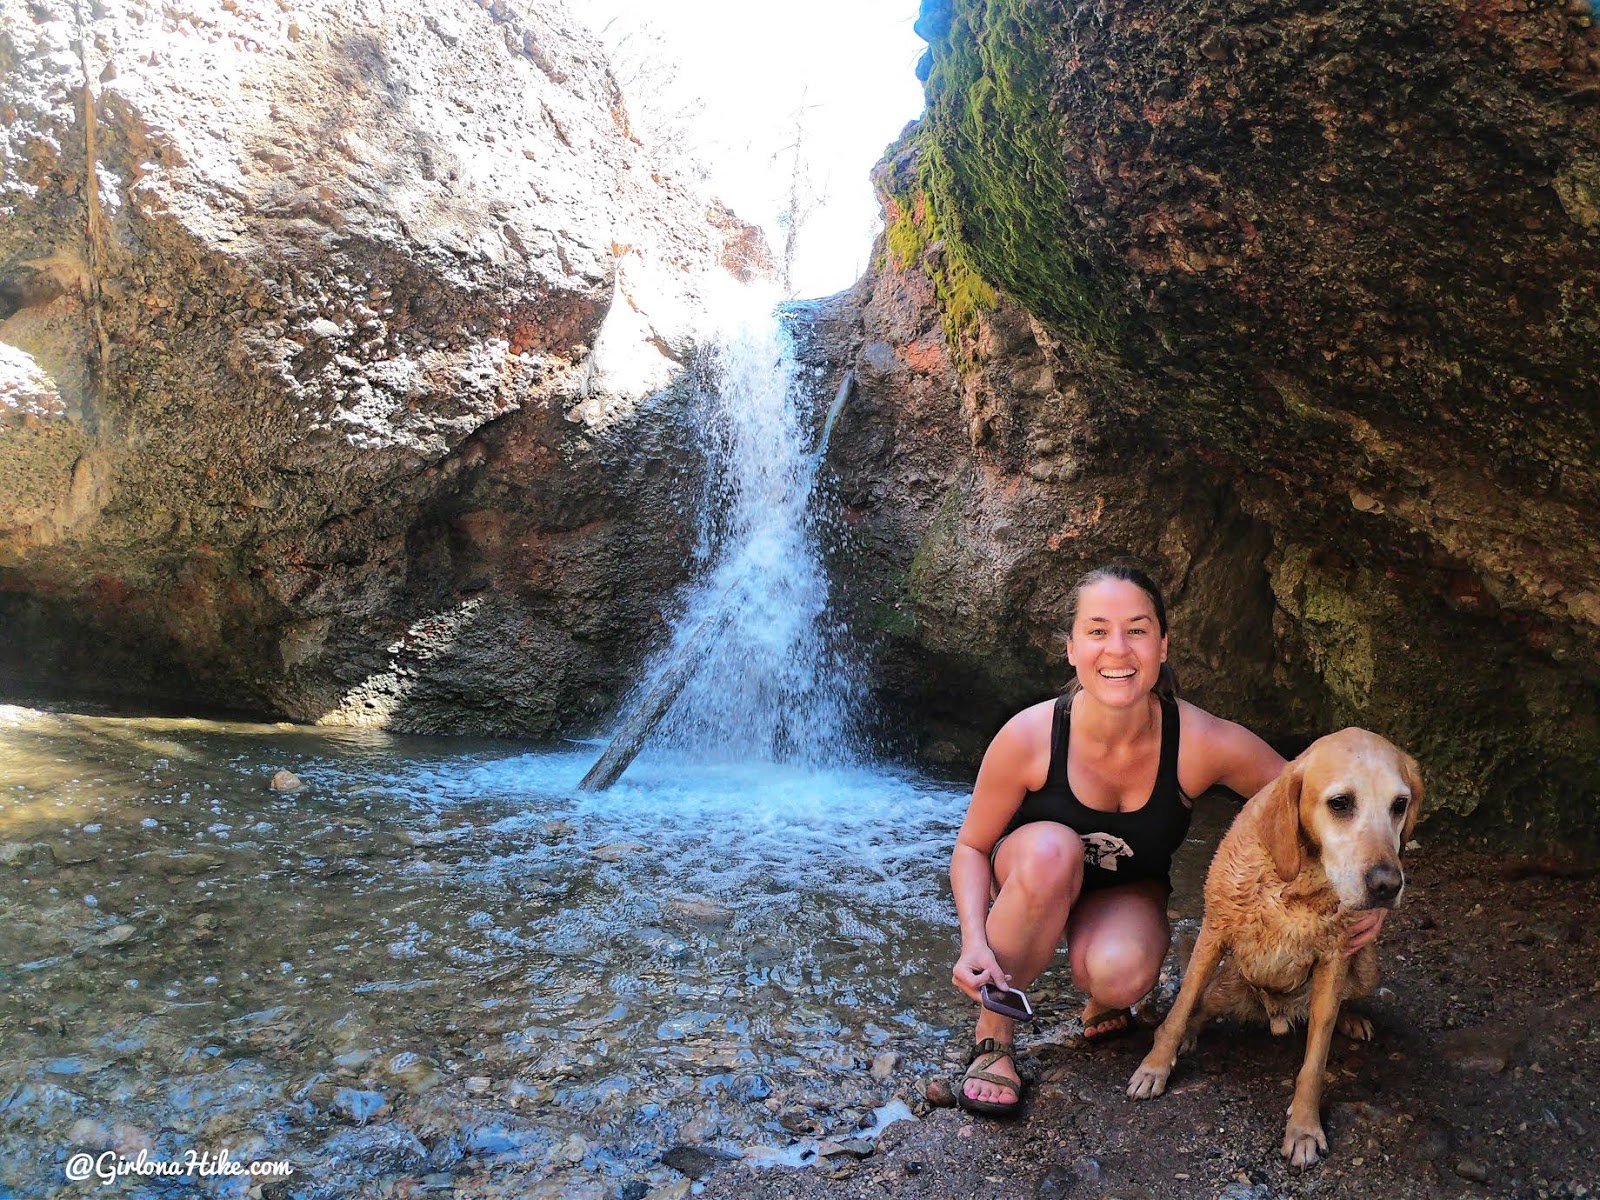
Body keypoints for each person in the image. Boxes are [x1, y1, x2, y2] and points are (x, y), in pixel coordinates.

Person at [949, 561, 1385, 1116]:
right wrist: (973, 942)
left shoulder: (1200, 740)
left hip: (1125, 891)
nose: (1118, 649)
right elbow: (972, 848)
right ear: (1071, 649)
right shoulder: (1030, 736)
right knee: (1051, 850)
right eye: (1098, 630)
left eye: (1137, 630)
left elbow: (1306, 795)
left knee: (1125, 973)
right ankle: (995, 1036)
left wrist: (1366, 885)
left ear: (1162, 646)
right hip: (1033, 878)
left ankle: (1100, 1000)